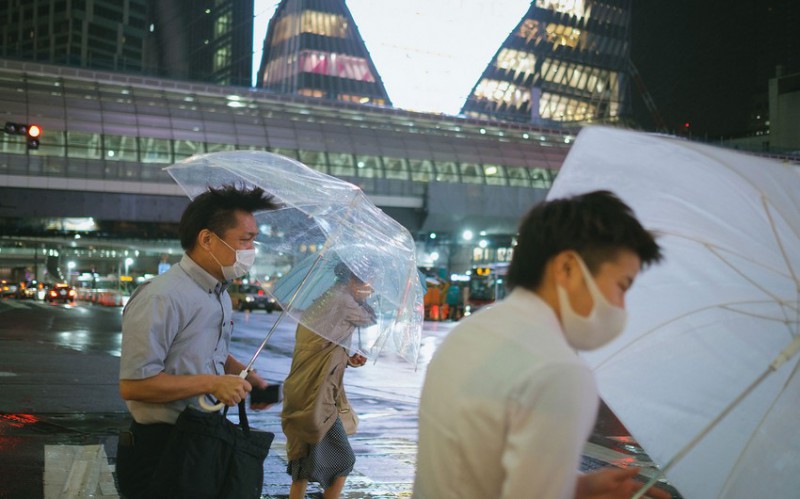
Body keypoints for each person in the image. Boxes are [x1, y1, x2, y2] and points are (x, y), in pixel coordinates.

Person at [413, 190, 671, 499]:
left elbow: (475, 468)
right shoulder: (558, 371)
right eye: (621, 286)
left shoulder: (470, 333)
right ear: (567, 268)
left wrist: (576, 487)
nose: (622, 306)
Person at [116, 185, 278, 499]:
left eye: (253, 240)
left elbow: (202, 348)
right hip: (160, 447)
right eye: (244, 240)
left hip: (202, 440)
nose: (251, 250)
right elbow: (134, 385)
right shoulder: (162, 296)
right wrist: (212, 383)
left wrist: (242, 373)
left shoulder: (218, 293)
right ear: (207, 239)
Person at [281, 262, 376, 499]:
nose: (371, 290)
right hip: (317, 395)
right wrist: (367, 303)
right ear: (353, 281)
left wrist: (348, 359)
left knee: (302, 461)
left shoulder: (330, 298)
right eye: (369, 283)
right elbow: (369, 318)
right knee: (344, 460)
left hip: (304, 388)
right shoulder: (343, 301)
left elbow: (323, 346)